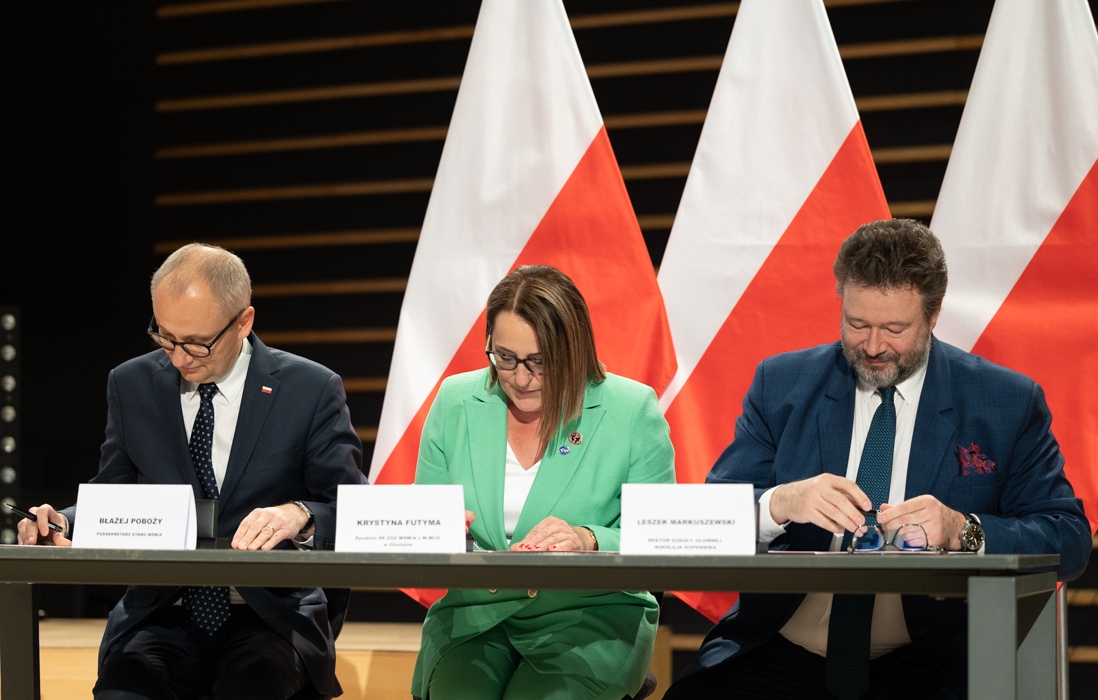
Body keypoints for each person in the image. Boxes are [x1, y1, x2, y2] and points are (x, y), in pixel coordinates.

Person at [664, 220, 1091, 700]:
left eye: (894, 329)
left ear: (933, 315)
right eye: (857, 324)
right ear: (841, 302)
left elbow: (1069, 538)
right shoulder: (781, 384)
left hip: (928, 659)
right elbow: (709, 517)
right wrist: (780, 503)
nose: (872, 347)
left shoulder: (1004, 401)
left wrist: (961, 530)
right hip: (780, 648)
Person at [17, 243, 365, 700]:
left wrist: (299, 513)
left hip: (268, 617)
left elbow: (352, 510)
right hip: (162, 612)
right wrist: (63, 522)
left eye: (198, 342)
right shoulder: (131, 383)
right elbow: (114, 496)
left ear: (244, 321)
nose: (179, 357)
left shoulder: (310, 389)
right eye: (165, 337)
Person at [410, 264, 675, 700]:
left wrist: (589, 538)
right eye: (505, 357)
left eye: (540, 361)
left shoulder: (631, 409)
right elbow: (423, 518)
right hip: (476, 616)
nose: (520, 378)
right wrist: (439, 530)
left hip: (590, 618)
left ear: (575, 350)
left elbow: (662, 536)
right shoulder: (456, 400)